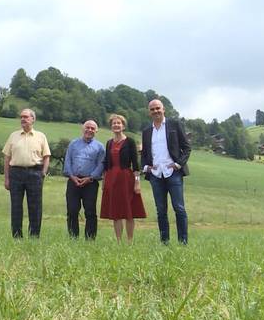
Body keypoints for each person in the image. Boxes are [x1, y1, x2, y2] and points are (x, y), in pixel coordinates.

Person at [141, 99, 191, 244]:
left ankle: (183, 242)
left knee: (179, 208)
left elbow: (187, 147)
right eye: (152, 109)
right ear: (149, 112)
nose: (155, 111)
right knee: (161, 211)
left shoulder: (174, 125)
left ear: (163, 110)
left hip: (173, 173)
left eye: (158, 108)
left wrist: (178, 164)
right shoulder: (146, 131)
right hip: (156, 175)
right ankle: (165, 242)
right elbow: (144, 153)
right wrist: (146, 167)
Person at [2, 108, 51, 238]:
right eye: (21, 117)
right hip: (16, 173)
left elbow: (46, 157)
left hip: (35, 173)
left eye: (26, 117)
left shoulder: (41, 136)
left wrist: (43, 173)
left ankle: (34, 236)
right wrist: (6, 178)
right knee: (16, 206)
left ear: (33, 119)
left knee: (35, 207)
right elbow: (7, 158)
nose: (23, 119)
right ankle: (17, 236)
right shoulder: (13, 136)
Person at [100, 114, 147, 243]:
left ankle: (130, 241)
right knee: (116, 212)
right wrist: (104, 182)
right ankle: (119, 241)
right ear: (111, 126)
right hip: (111, 178)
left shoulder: (130, 142)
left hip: (126, 178)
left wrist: (137, 183)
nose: (116, 125)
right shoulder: (109, 143)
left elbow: (135, 165)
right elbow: (106, 163)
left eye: (118, 123)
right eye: (114, 123)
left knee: (128, 211)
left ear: (123, 126)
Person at [62, 120, 105, 240]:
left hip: (90, 182)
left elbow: (101, 165)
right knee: (72, 210)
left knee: (90, 211)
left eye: (92, 128)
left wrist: (90, 177)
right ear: (82, 128)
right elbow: (68, 161)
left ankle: (90, 239)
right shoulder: (73, 144)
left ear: (96, 131)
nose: (89, 130)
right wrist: (71, 176)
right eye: (87, 127)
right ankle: (73, 237)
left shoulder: (100, 147)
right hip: (73, 180)